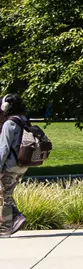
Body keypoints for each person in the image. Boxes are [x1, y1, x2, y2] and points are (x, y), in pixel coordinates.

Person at [1, 94, 29, 236]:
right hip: (22, 164)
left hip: (11, 165)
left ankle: (6, 228)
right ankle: (16, 218)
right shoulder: (24, 120)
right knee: (7, 193)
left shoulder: (9, 123)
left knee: (4, 195)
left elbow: (4, 148)